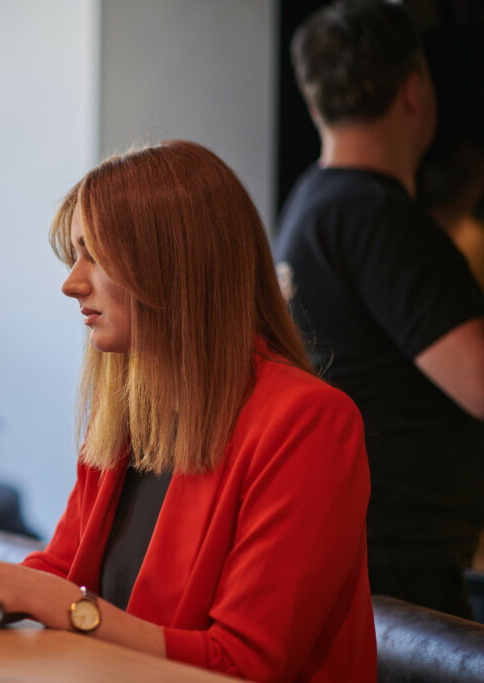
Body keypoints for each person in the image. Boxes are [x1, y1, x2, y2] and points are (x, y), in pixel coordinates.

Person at [0, 141, 376, 680]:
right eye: (75, 255)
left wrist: (41, 595)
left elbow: (243, 666)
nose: (71, 283)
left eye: (95, 254)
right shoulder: (126, 414)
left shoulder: (309, 423)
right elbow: (65, 572)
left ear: (174, 264)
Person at [274, 0, 484, 618]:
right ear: (415, 91)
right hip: (400, 562)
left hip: (354, 543)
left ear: (314, 104)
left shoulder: (316, 201)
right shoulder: (381, 219)